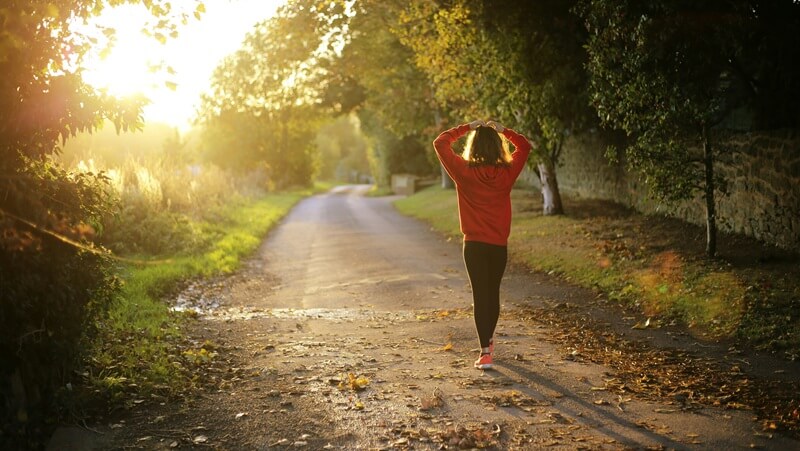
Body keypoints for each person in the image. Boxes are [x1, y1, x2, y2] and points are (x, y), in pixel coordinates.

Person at [433, 119, 532, 370]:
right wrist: (504, 130)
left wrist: (467, 127)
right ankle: (488, 341)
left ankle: (485, 352)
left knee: (480, 295)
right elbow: (524, 146)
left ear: (473, 146)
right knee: (492, 293)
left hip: (474, 246)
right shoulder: (507, 173)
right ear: (498, 146)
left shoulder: (464, 171)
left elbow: (440, 143)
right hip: (498, 245)